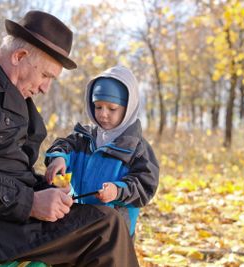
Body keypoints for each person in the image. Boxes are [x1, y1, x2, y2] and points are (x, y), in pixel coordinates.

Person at [0, 10, 139, 267]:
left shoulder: (8, 92)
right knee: (105, 228)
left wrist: (47, 192)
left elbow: (6, 169)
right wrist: (30, 202)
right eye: (46, 76)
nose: (46, 88)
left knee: (104, 218)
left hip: (2, 221)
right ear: (19, 56)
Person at [45, 66, 159, 237]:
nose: (103, 114)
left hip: (114, 232)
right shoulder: (84, 137)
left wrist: (117, 190)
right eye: (98, 107)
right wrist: (59, 158)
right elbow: (64, 145)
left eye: (112, 109)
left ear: (128, 108)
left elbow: (145, 185)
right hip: (78, 223)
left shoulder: (137, 148)